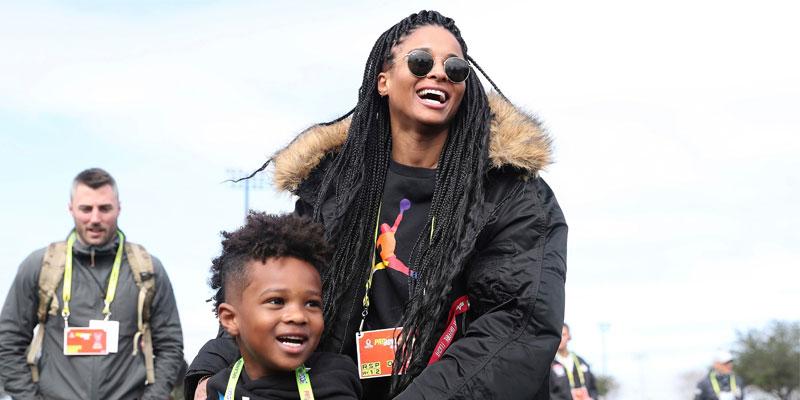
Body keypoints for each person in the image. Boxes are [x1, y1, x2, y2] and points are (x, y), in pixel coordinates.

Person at [187, 10, 567, 400]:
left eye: (455, 69)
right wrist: (210, 372)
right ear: (383, 80)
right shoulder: (335, 187)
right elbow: (269, 290)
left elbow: (517, 325)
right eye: (421, 61)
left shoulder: (513, 195)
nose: (439, 73)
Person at [0, 168, 184, 400]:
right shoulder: (40, 266)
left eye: (104, 208)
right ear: (71, 209)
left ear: (119, 208)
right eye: (86, 209)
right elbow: (8, 342)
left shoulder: (148, 270)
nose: (95, 219)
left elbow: (170, 346)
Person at [203, 212, 361, 400]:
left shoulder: (334, 380)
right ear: (230, 319)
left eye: (312, 303)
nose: (298, 316)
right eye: (277, 301)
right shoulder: (219, 388)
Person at [550, 324, 598, 400]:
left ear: (569, 337)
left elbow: (593, 388)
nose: (560, 338)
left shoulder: (581, 362)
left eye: (563, 335)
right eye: (558, 335)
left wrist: (592, 398)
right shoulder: (549, 364)